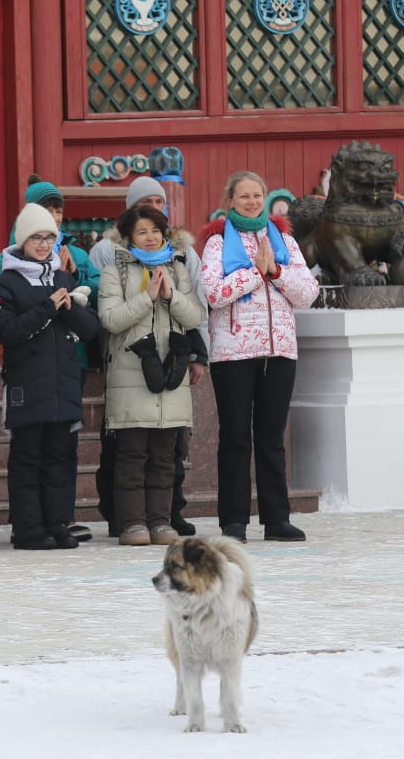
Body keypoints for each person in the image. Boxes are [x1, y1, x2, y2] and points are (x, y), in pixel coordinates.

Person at [199, 171, 320, 544]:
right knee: (235, 437)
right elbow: (214, 293)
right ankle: (233, 521)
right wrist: (255, 272)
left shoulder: (283, 239)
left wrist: (277, 271)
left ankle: (276, 518)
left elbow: (308, 292)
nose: (251, 202)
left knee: (271, 438)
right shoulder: (218, 242)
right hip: (233, 352)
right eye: (244, 196)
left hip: (279, 349)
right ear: (230, 200)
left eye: (257, 195)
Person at [91, 176, 209, 537]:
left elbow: (195, 316)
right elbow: (111, 319)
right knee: (131, 457)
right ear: (129, 237)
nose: (151, 237)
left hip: (170, 375)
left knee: (163, 457)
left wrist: (171, 295)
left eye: (156, 230)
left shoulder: (177, 269)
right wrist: (147, 297)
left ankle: (160, 521)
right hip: (131, 375)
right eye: (142, 232)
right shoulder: (115, 273)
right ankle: (131, 523)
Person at [0, 204, 101, 550]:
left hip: (62, 381)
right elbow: (6, 331)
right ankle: (28, 529)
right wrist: (47, 308)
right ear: (23, 240)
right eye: (36, 238)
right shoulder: (6, 282)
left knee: (58, 457)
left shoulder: (62, 278)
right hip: (27, 382)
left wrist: (69, 308)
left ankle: (57, 524)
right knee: (27, 459)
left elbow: (91, 330)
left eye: (49, 238)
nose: (43, 244)